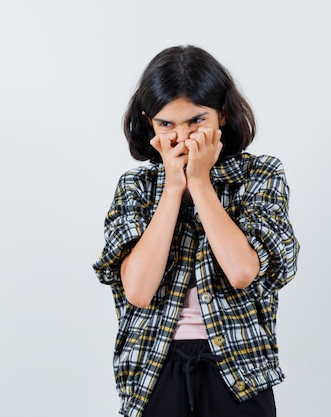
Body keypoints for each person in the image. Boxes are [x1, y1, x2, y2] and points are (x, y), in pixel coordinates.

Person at [92, 45, 299, 417]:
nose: (183, 137)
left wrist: (200, 182)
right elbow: (138, 290)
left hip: (239, 367)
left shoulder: (261, 175)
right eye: (166, 124)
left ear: (221, 114)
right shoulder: (135, 187)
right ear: (149, 121)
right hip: (152, 369)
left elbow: (242, 271)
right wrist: (173, 187)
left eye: (196, 121)